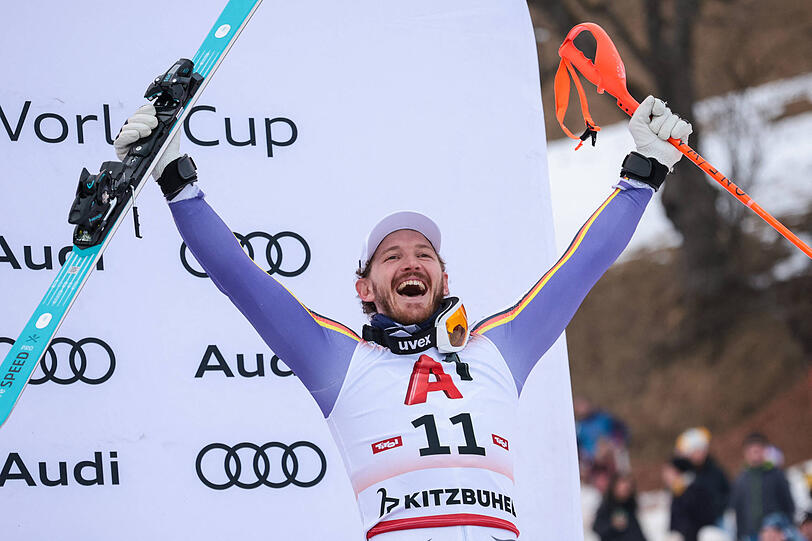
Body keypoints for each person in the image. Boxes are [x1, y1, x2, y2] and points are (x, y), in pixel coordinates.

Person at [113, 95, 692, 540]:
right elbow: (242, 278)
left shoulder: (496, 349)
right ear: (365, 288)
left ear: (445, 279)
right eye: (392, 256)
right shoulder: (340, 362)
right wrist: (176, 180)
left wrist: (642, 174)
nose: (411, 261)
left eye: (424, 254)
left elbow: (579, 269)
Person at [730, 433, 796, 541]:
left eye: (757, 451)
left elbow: (788, 502)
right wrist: (740, 534)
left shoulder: (776, 474)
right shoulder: (740, 481)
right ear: (745, 454)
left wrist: (788, 525)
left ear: (765, 451)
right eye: (751, 452)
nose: (755, 455)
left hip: (774, 531)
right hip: (751, 533)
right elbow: (738, 510)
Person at [675, 427, 730, 523]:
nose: (699, 454)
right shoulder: (684, 475)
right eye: (695, 451)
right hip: (694, 523)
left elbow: (728, 492)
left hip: (717, 519)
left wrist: (718, 507)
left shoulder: (715, 471)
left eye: (701, 450)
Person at [663, 455, 717, 541]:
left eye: (669, 472)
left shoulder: (695, 492)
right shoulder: (676, 493)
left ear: (679, 472)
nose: (665, 476)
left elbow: (702, 523)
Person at [592, 474, 647, 541]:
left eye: (628, 489)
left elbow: (637, 532)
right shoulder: (607, 506)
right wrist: (613, 526)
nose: (625, 491)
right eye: (623, 488)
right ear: (614, 487)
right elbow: (597, 528)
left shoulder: (629, 506)